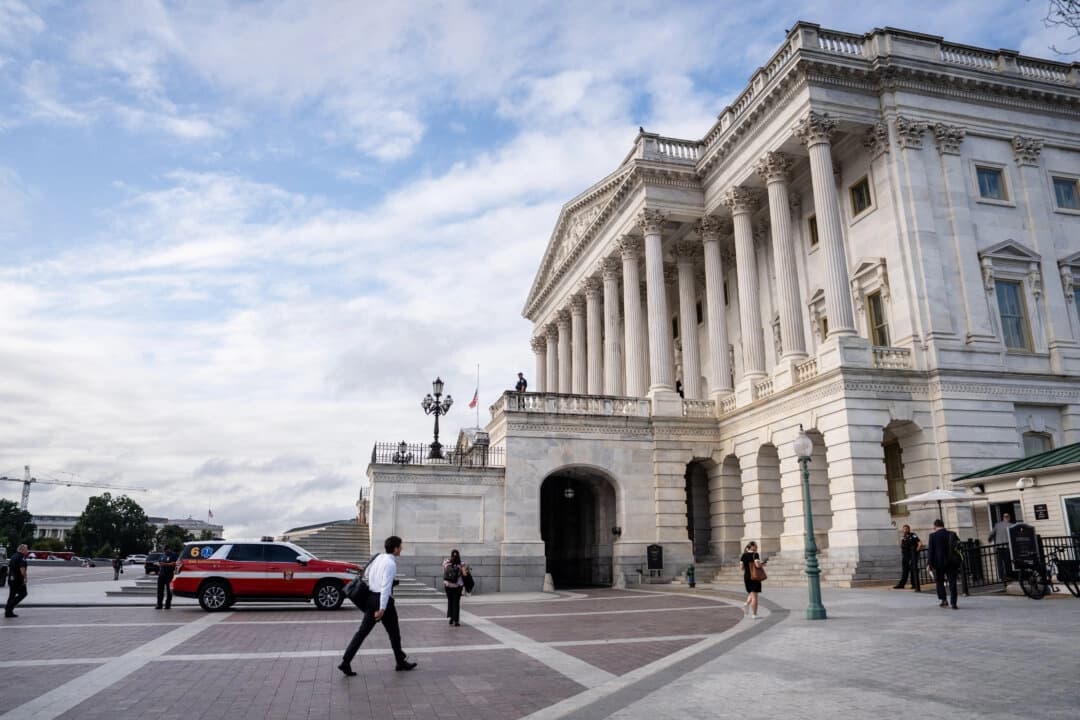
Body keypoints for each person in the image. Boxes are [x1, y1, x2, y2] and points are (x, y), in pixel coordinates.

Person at [339, 535, 416, 676]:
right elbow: (385, 587)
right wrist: (382, 608)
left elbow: (368, 574)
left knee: (362, 633)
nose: (402, 548)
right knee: (394, 633)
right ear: (395, 549)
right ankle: (400, 662)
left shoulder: (378, 557)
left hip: (371, 598)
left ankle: (345, 661)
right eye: (400, 546)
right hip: (383, 601)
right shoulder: (390, 564)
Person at [927, 519, 960, 609]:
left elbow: (931, 551)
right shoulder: (952, 534)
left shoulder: (933, 536)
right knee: (952, 582)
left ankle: (944, 600)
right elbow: (958, 546)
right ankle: (954, 603)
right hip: (952, 562)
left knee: (939, 582)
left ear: (935, 526)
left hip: (939, 563)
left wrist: (929, 563)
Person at [740, 541, 766, 619]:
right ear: (752, 547)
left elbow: (741, 567)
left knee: (752, 593)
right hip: (754, 577)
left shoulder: (743, 555)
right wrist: (763, 564)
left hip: (747, 576)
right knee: (754, 596)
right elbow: (757, 565)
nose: (757, 547)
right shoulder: (755, 554)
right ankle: (754, 614)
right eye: (756, 546)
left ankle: (746, 604)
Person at [893, 525, 923, 591]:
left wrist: (916, 552)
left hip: (912, 556)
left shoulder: (913, 535)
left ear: (909, 529)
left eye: (906, 529)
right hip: (905, 556)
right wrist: (902, 540)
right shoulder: (903, 537)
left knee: (913, 570)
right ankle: (901, 584)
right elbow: (901, 545)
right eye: (903, 529)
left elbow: (920, 543)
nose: (905, 530)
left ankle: (914, 584)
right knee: (905, 571)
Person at [442, 549, 467, 627]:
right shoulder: (461, 563)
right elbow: (464, 574)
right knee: (456, 603)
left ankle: (451, 619)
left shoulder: (445, 562)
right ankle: (456, 621)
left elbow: (444, 573)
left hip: (448, 585)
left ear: (451, 555)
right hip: (458, 586)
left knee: (450, 601)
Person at [988, 512, 1014, 581]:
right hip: (1006, 547)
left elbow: (991, 534)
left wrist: (990, 539)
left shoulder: (997, 525)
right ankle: (1008, 576)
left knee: (1000, 563)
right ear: (1009, 518)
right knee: (1007, 562)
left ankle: (1001, 577)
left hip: (998, 547)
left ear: (1003, 518)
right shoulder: (1011, 525)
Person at [5, 544, 29, 618]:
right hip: (18, 580)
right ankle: (9, 606)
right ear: (22, 550)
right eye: (26, 549)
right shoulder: (21, 557)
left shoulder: (13, 556)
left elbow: (9, 569)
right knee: (23, 593)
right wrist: (25, 578)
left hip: (11, 579)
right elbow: (22, 569)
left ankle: (8, 613)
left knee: (12, 595)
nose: (27, 551)